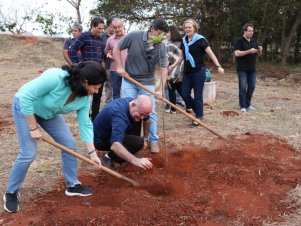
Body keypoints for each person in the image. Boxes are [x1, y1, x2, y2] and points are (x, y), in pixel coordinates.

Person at [3, 61, 106, 213]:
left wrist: (92, 153)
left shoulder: (85, 97)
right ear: (85, 82)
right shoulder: (55, 77)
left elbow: (85, 123)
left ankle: (73, 185)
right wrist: (33, 127)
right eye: (95, 88)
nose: (97, 92)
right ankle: (11, 193)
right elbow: (25, 97)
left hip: (49, 113)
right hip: (25, 107)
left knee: (69, 144)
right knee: (28, 153)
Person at [113, 18, 169, 153]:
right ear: (152, 30)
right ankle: (130, 140)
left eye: (165, 35)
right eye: (161, 34)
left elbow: (164, 67)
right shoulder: (134, 36)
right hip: (129, 79)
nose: (163, 38)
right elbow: (116, 48)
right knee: (129, 109)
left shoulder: (161, 45)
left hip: (148, 82)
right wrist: (120, 67)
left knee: (151, 111)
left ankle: (153, 140)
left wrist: (161, 89)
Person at [169, 18, 224, 127]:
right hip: (187, 72)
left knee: (198, 95)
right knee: (184, 94)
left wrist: (218, 66)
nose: (187, 29)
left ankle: (198, 117)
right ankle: (198, 110)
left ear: (194, 28)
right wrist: (174, 65)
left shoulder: (201, 40)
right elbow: (182, 56)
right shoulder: (184, 40)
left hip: (199, 72)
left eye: (189, 27)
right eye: (185, 27)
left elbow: (211, 53)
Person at [93, 95, 153, 171]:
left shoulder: (134, 105)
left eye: (145, 115)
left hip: (111, 132)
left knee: (137, 119)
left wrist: (145, 138)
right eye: (141, 114)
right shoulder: (119, 116)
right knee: (138, 142)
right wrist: (135, 160)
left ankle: (130, 150)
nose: (142, 117)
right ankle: (107, 158)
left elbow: (147, 120)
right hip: (100, 140)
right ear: (133, 105)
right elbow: (115, 145)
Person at [69, 18, 106, 121]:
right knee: (86, 96)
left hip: (98, 72)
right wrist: (77, 65)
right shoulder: (84, 36)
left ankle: (95, 118)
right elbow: (72, 49)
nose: (101, 31)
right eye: (99, 28)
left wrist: (103, 62)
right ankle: (84, 117)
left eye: (102, 29)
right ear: (93, 26)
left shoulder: (100, 38)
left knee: (97, 96)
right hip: (87, 72)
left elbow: (102, 54)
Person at [234, 23, 263, 112]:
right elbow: (237, 53)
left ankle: (248, 104)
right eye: (250, 31)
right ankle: (242, 106)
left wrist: (260, 50)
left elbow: (259, 54)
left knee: (251, 87)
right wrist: (249, 51)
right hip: (242, 68)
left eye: (252, 31)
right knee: (243, 87)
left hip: (252, 69)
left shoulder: (254, 41)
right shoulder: (239, 41)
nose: (251, 32)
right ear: (245, 31)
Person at [105, 18, 127, 99]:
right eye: (115, 27)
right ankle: (116, 110)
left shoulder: (129, 37)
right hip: (114, 69)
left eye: (119, 27)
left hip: (128, 69)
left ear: (123, 26)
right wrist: (109, 54)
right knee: (116, 92)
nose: (117, 29)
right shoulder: (110, 40)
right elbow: (106, 51)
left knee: (127, 92)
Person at [165, 25, 185, 114]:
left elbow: (167, 59)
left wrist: (166, 70)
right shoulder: (182, 42)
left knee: (171, 90)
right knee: (181, 89)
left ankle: (173, 109)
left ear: (171, 33)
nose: (166, 35)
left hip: (173, 71)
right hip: (182, 70)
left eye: (167, 33)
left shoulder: (170, 45)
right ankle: (190, 105)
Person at [100, 18, 115, 103]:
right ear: (108, 26)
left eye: (115, 27)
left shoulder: (117, 37)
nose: (113, 29)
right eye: (112, 27)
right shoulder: (101, 36)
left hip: (111, 65)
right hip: (101, 64)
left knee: (110, 85)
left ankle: (109, 102)